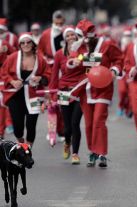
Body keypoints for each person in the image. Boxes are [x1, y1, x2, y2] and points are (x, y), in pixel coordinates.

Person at [67, 19, 122, 168]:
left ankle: (102, 153)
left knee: (99, 121)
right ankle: (92, 151)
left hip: (103, 87)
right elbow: (73, 59)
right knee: (89, 123)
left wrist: (114, 70)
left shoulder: (106, 44)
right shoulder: (79, 47)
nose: (78, 40)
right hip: (85, 89)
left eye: (80, 36)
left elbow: (118, 59)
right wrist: (75, 62)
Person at [1, 33, 50, 146]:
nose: (25, 44)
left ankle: (28, 149)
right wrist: (12, 81)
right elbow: (4, 72)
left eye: (28, 42)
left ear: (33, 44)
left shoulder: (40, 59)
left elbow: (48, 74)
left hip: (34, 95)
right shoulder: (13, 57)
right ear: (19, 45)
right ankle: (21, 143)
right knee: (18, 126)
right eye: (22, 43)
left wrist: (41, 78)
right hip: (15, 95)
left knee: (31, 124)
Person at [49, 26, 84, 164]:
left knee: (75, 123)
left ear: (77, 37)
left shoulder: (82, 52)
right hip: (64, 91)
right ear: (64, 38)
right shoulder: (59, 54)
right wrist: (53, 96)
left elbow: (88, 68)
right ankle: (67, 143)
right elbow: (54, 76)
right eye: (68, 35)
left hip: (79, 91)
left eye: (73, 35)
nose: (70, 37)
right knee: (67, 126)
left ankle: (75, 153)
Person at [38, 10, 66, 140]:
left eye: (61, 22)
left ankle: (62, 130)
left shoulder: (67, 34)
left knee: (62, 103)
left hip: (64, 73)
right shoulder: (45, 34)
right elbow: (39, 52)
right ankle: (51, 131)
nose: (59, 24)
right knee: (51, 102)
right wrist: (46, 61)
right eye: (57, 22)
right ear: (53, 21)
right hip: (50, 72)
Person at [0, 35, 16, 139]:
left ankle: (7, 125)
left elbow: (15, 54)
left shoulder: (4, 43)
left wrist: (7, 54)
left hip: (4, 76)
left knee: (4, 101)